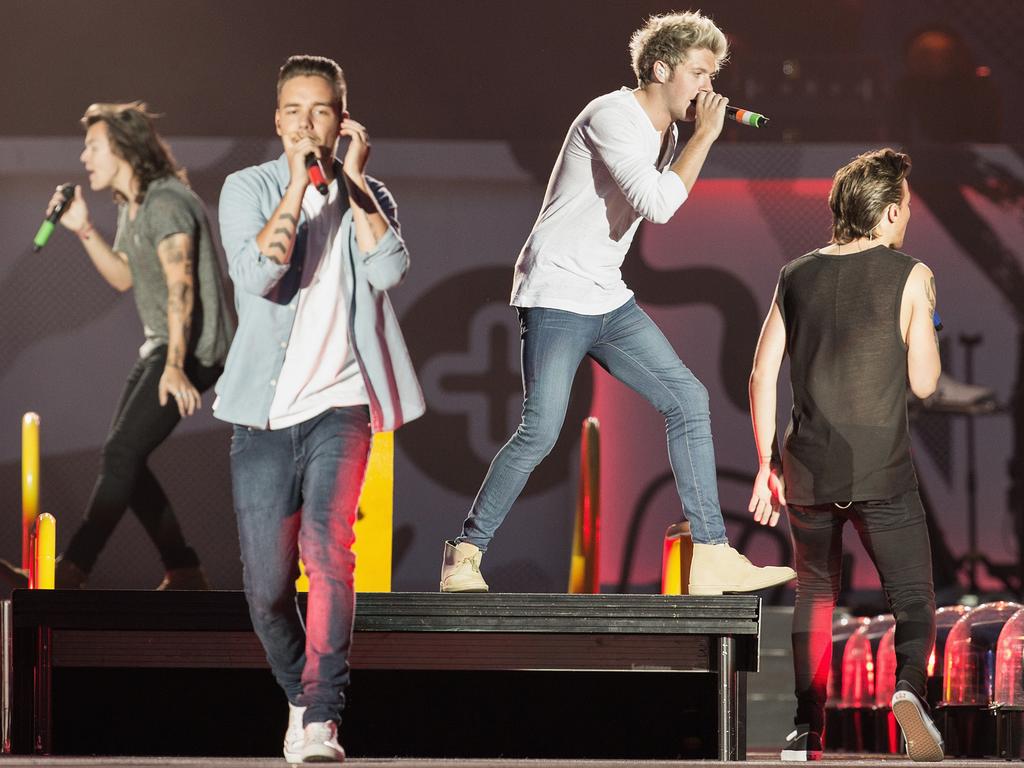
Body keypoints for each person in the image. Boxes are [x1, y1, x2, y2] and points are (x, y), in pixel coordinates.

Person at [439, 10, 795, 596]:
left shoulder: (672, 132)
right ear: (661, 69)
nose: (710, 88)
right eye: (700, 73)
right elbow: (657, 206)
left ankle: (710, 551)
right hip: (557, 290)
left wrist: (695, 135)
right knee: (541, 430)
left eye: (713, 75)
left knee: (688, 398)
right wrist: (706, 136)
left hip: (605, 293)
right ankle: (466, 554)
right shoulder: (612, 115)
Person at [215, 55, 424, 763]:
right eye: (295, 112)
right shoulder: (248, 187)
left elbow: (391, 270)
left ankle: (323, 717)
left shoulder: (370, 195)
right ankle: (302, 698)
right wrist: (298, 196)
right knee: (266, 589)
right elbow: (257, 274)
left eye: (322, 112)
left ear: (344, 119)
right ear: (277, 121)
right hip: (263, 417)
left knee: (329, 551)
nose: (309, 124)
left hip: (343, 404)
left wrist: (354, 183)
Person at [747, 148, 944, 762]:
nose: (908, 218)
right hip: (880, 466)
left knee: (814, 591)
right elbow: (925, 384)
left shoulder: (794, 274)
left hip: (807, 466)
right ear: (886, 213)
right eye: (906, 208)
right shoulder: (910, 274)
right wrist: (927, 319)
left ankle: (805, 728)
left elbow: (760, 375)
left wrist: (764, 464)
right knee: (911, 596)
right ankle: (911, 689)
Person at [0, 102, 234, 591]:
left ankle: (72, 571)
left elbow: (181, 287)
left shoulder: (167, 201)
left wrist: (174, 366)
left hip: (191, 349)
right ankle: (185, 569)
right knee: (124, 457)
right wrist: (83, 228)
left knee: (121, 454)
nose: (84, 157)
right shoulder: (135, 204)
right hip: (163, 345)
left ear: (124, 149)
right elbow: (125, 278)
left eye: (93, 146)